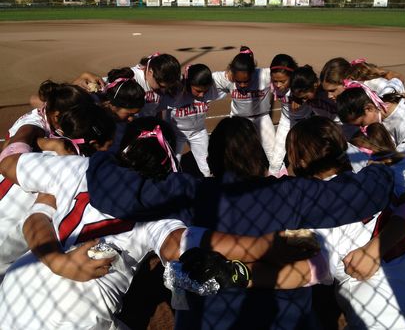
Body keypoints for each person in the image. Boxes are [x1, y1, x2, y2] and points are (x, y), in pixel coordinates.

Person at [0, 117, 312, 329]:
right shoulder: (160, 205)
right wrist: (259, 247)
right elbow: (180, 245)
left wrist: (30, 124)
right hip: (77, 313)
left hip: (14, 291)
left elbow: (16, 175)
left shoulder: (80, 168)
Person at [282, 116, 405, 329]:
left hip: (381, 318)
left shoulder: (314, 207)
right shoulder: (381, 175)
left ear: (300, 161)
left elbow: (313, 271)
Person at [0, 103, 116, 281]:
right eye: (109, 144)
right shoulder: (73, 172)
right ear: (93, 144)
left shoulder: (38, 140)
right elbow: (38, 216)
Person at [212, 46, 275, 161]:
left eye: (246, 81)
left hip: (262, 118)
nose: (242, 85)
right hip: (238, 120)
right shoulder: (227, 78)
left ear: (253, 72)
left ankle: (278, 177)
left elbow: (286, 72)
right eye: (238, 81)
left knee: (273, 155)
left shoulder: (263, 75)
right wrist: (188, 73)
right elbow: (202, 77)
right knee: (235, 154)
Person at [163, 63, 227, 177]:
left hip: (198, 131)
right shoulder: (174, 93)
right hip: (176, 133)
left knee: (207, 165)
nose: (202, 94)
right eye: (198, 90)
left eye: (205, 91)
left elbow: (229, 80)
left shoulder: (211, 90)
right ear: (188, 83)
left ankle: (209, 187)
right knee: (172, 165)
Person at [1, 80, 93, 160]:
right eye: (77, 118)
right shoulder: (32, 126)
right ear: (56, 116)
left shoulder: (52, 105)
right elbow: (10, 151)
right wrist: (54, 144)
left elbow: (33, 99)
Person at [268, 54, 312, 176]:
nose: (278, 85)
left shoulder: (301, 85)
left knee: (307, 158)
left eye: (282, 81)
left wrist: (299, 97)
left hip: (305, 123)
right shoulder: (271, 80)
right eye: (275, 81)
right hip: (286, 121)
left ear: (292, 76)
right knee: (275, 160)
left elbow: (314, 81)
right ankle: (273, 185)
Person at [319, 57, 404, 101]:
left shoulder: (376, 85)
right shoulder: (348, 95)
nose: (329, 96)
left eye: (333, 90)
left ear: (348, 80)